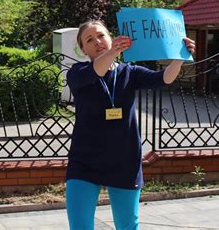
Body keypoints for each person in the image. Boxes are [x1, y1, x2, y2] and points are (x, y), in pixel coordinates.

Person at [66, 20, 195, 230]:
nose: (97, 42)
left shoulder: (129, 72)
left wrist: (178, 60)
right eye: (90, 40)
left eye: (101, 36)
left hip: (124, 161)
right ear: (83, 49)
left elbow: (163, 79)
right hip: (84, 162)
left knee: (128, 226)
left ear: (110, 37)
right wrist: (112, 53)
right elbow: (97, 71)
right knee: (80, 226)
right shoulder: (78, 73)